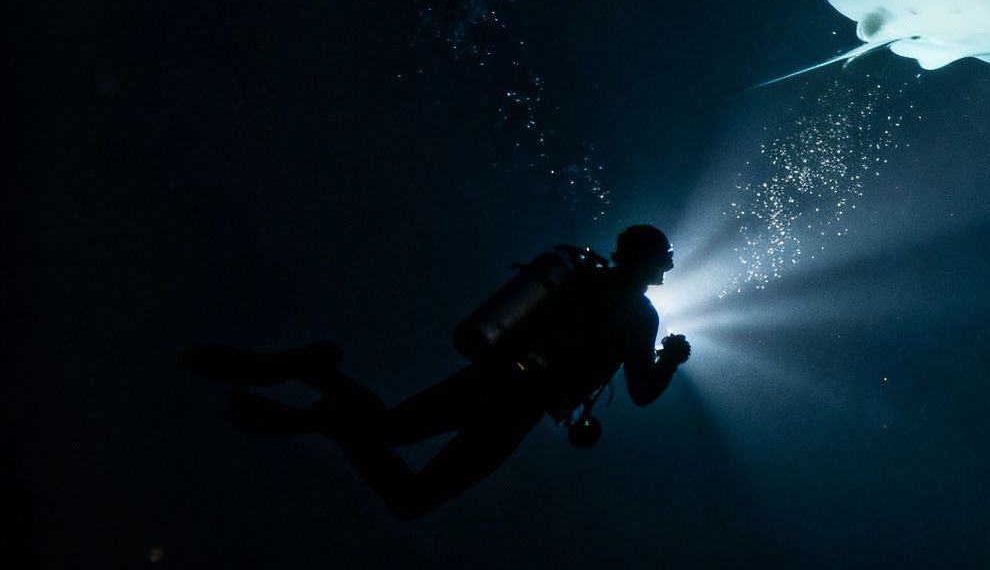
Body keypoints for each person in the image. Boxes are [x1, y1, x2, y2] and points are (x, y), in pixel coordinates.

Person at [186, 224, 690, 520]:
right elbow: (642, 393)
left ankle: (319, 380)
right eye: (664, 260)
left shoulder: (578, 278)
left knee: (387, 432)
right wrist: (669, 359)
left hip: (490, 377)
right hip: (517, 406)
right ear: (647, 261)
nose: (666, 269)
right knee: (412, 498)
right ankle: (321, 404)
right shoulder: (637, 316)